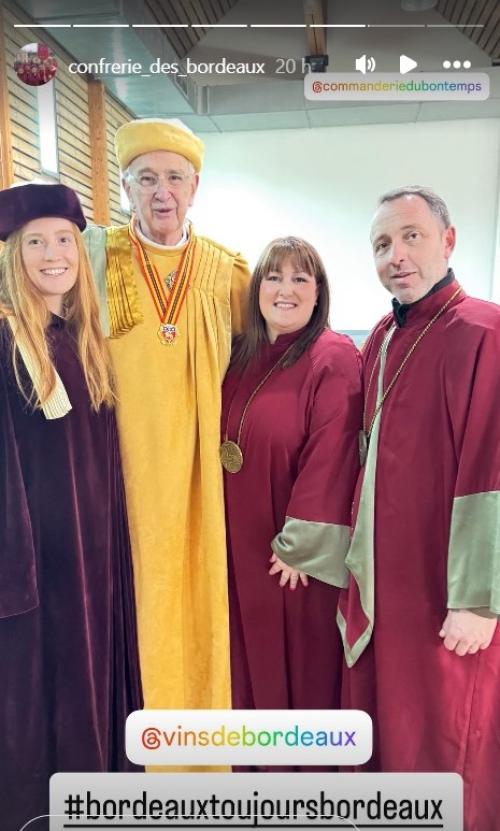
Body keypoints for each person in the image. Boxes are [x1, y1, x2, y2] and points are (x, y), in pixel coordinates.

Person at [336, 186, 500, 831]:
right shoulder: (381, 336)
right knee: (393, 733)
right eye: (382, 244)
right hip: (388, 587)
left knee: (449, 738)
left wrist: (479, 598)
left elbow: (491, 471)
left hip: (446, 588)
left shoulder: (484, 331)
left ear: (448, 241)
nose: (396, 256)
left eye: (411, 237)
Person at [84, 118, 250, 715]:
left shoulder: (227, 271)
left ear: (195, 187)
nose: (163, 192)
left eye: (175, 178)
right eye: (147, 178)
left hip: (202, 479)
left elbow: (266, 357)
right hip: (117, 471)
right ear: (125, 186)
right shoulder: (93, 256)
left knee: (199, 602)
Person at [0, 183, 142, 831]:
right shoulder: (10, 341)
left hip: (95, 558)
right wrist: (17, 573)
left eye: (63, 240)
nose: (52, 254)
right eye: (35, 242)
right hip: (41, 568)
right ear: (14, 254)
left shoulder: (84, 340)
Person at [222, 237, 362, 744]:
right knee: (245, 670)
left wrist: (300, 547)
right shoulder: (241, 354)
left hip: (290, 558)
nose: (285, 289)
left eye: (300, 278)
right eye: (274, 277)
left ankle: (301, 778)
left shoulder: (333, 356)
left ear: (318, 291)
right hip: (238, 545)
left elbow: (335, 450)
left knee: (298, 678)